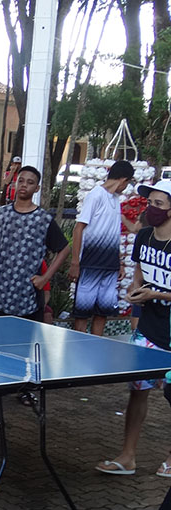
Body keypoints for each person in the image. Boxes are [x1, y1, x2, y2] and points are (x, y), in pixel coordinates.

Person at [96, 179, 171, 477]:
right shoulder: (143, 237)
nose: (151, 208)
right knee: (137, 391)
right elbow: (138, 274)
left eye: (158, 204)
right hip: (148, 330)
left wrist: (157, 294)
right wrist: (135, 291)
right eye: (150, 203)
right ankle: (127, 456)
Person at [0, 166, 70, 322]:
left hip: (30, 297)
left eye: (30, 182)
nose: (24, 185)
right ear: (15, 183)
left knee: (27, 337)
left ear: (36, 188)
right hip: (1, 293)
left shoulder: (43, 219)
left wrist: (45, 278)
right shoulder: (2, 214)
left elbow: (64, 249)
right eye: (21, 181)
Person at [69, 160, 135, 336]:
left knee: (102, 312)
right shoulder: (95, 195)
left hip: (110, 266)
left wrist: (120, 262)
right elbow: (78, 228)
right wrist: (75, 262)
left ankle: (96, 345)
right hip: (91, 263)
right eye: (128, 182)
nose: (126, 187)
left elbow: (113, 233)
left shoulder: (116, 199)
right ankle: (78, 347)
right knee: (82, 312)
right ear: (123, 180)